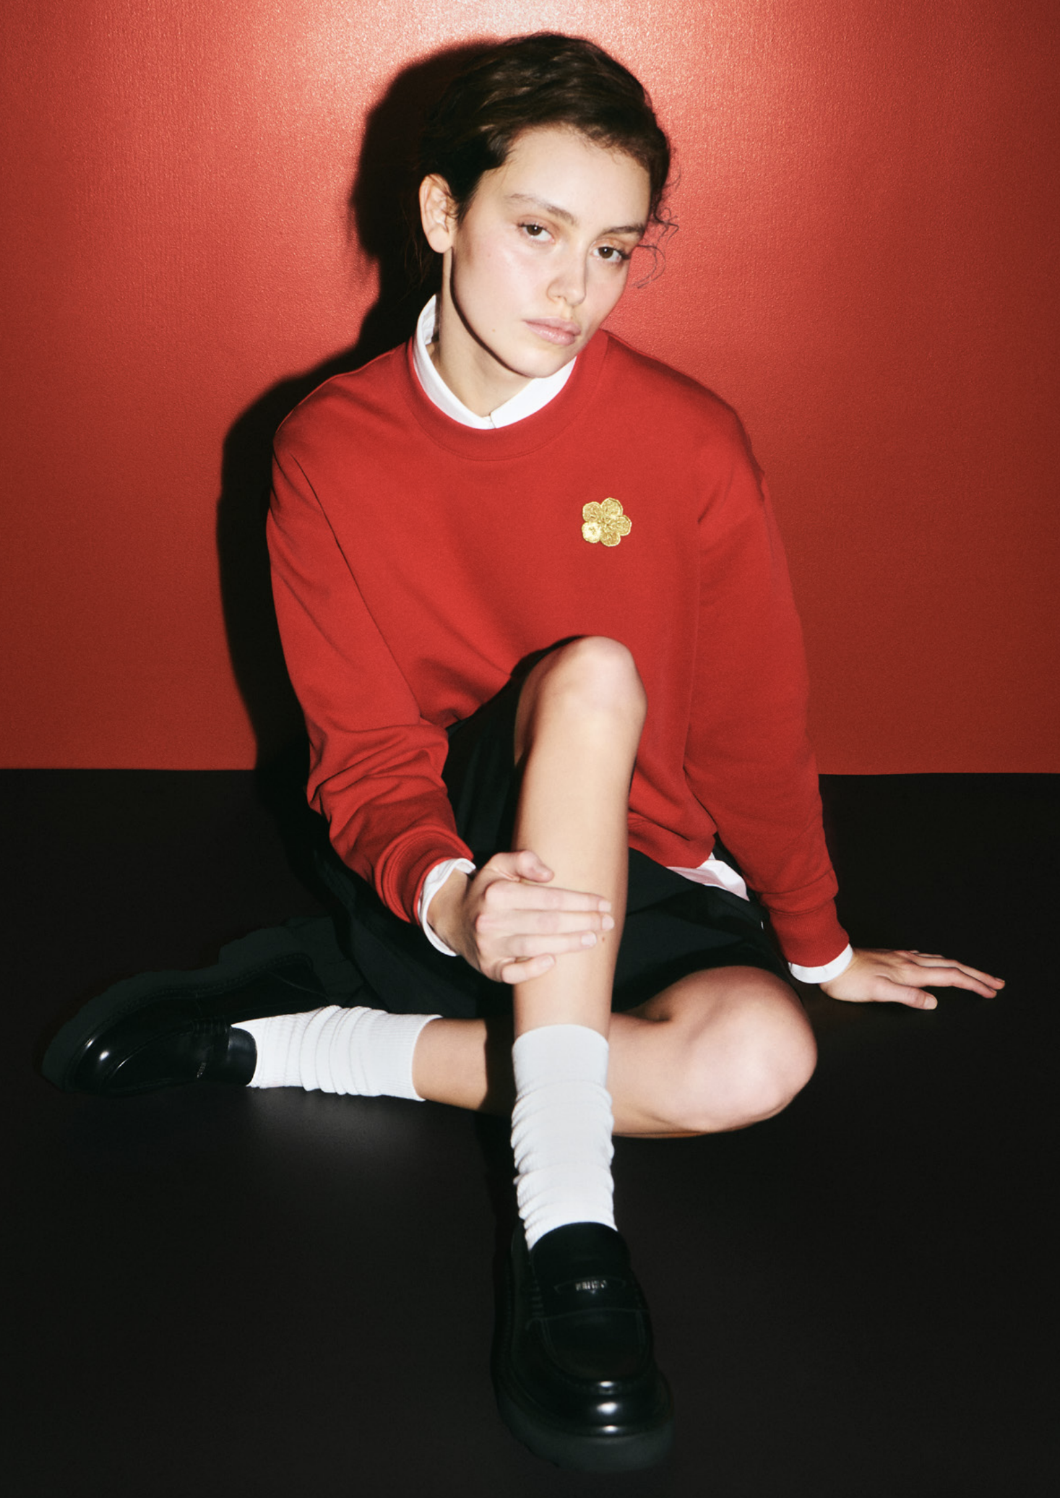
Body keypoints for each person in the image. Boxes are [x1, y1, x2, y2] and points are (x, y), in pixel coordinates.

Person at [42, 33, 1003, 1472]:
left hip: (632, 862)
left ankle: (293, 1036)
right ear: (443, 212)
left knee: (761, 1058)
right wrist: (449, 898)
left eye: (614, 250)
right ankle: (569, 1242)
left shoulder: (689, 444)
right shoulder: (327, 449)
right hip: (437, 860)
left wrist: (816, 943)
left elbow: (752, 722)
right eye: (539, 231)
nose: (575, 290)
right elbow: (365, 753)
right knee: (594, 674)